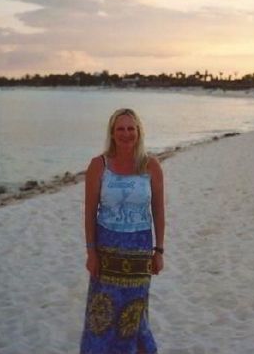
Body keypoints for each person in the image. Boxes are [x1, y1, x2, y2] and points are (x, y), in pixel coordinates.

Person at [80, 108, 165, 354]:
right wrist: (91, 252)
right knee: (101, 313)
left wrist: (158, 250)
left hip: (139, 252)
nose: (126, 134)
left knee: (134, 315)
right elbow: (89, 213)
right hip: (106, 252)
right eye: (121, 129)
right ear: (112, 133)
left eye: (131, 128)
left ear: (138, 132)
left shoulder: (151, 165)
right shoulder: (99, 165)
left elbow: (158, 212)